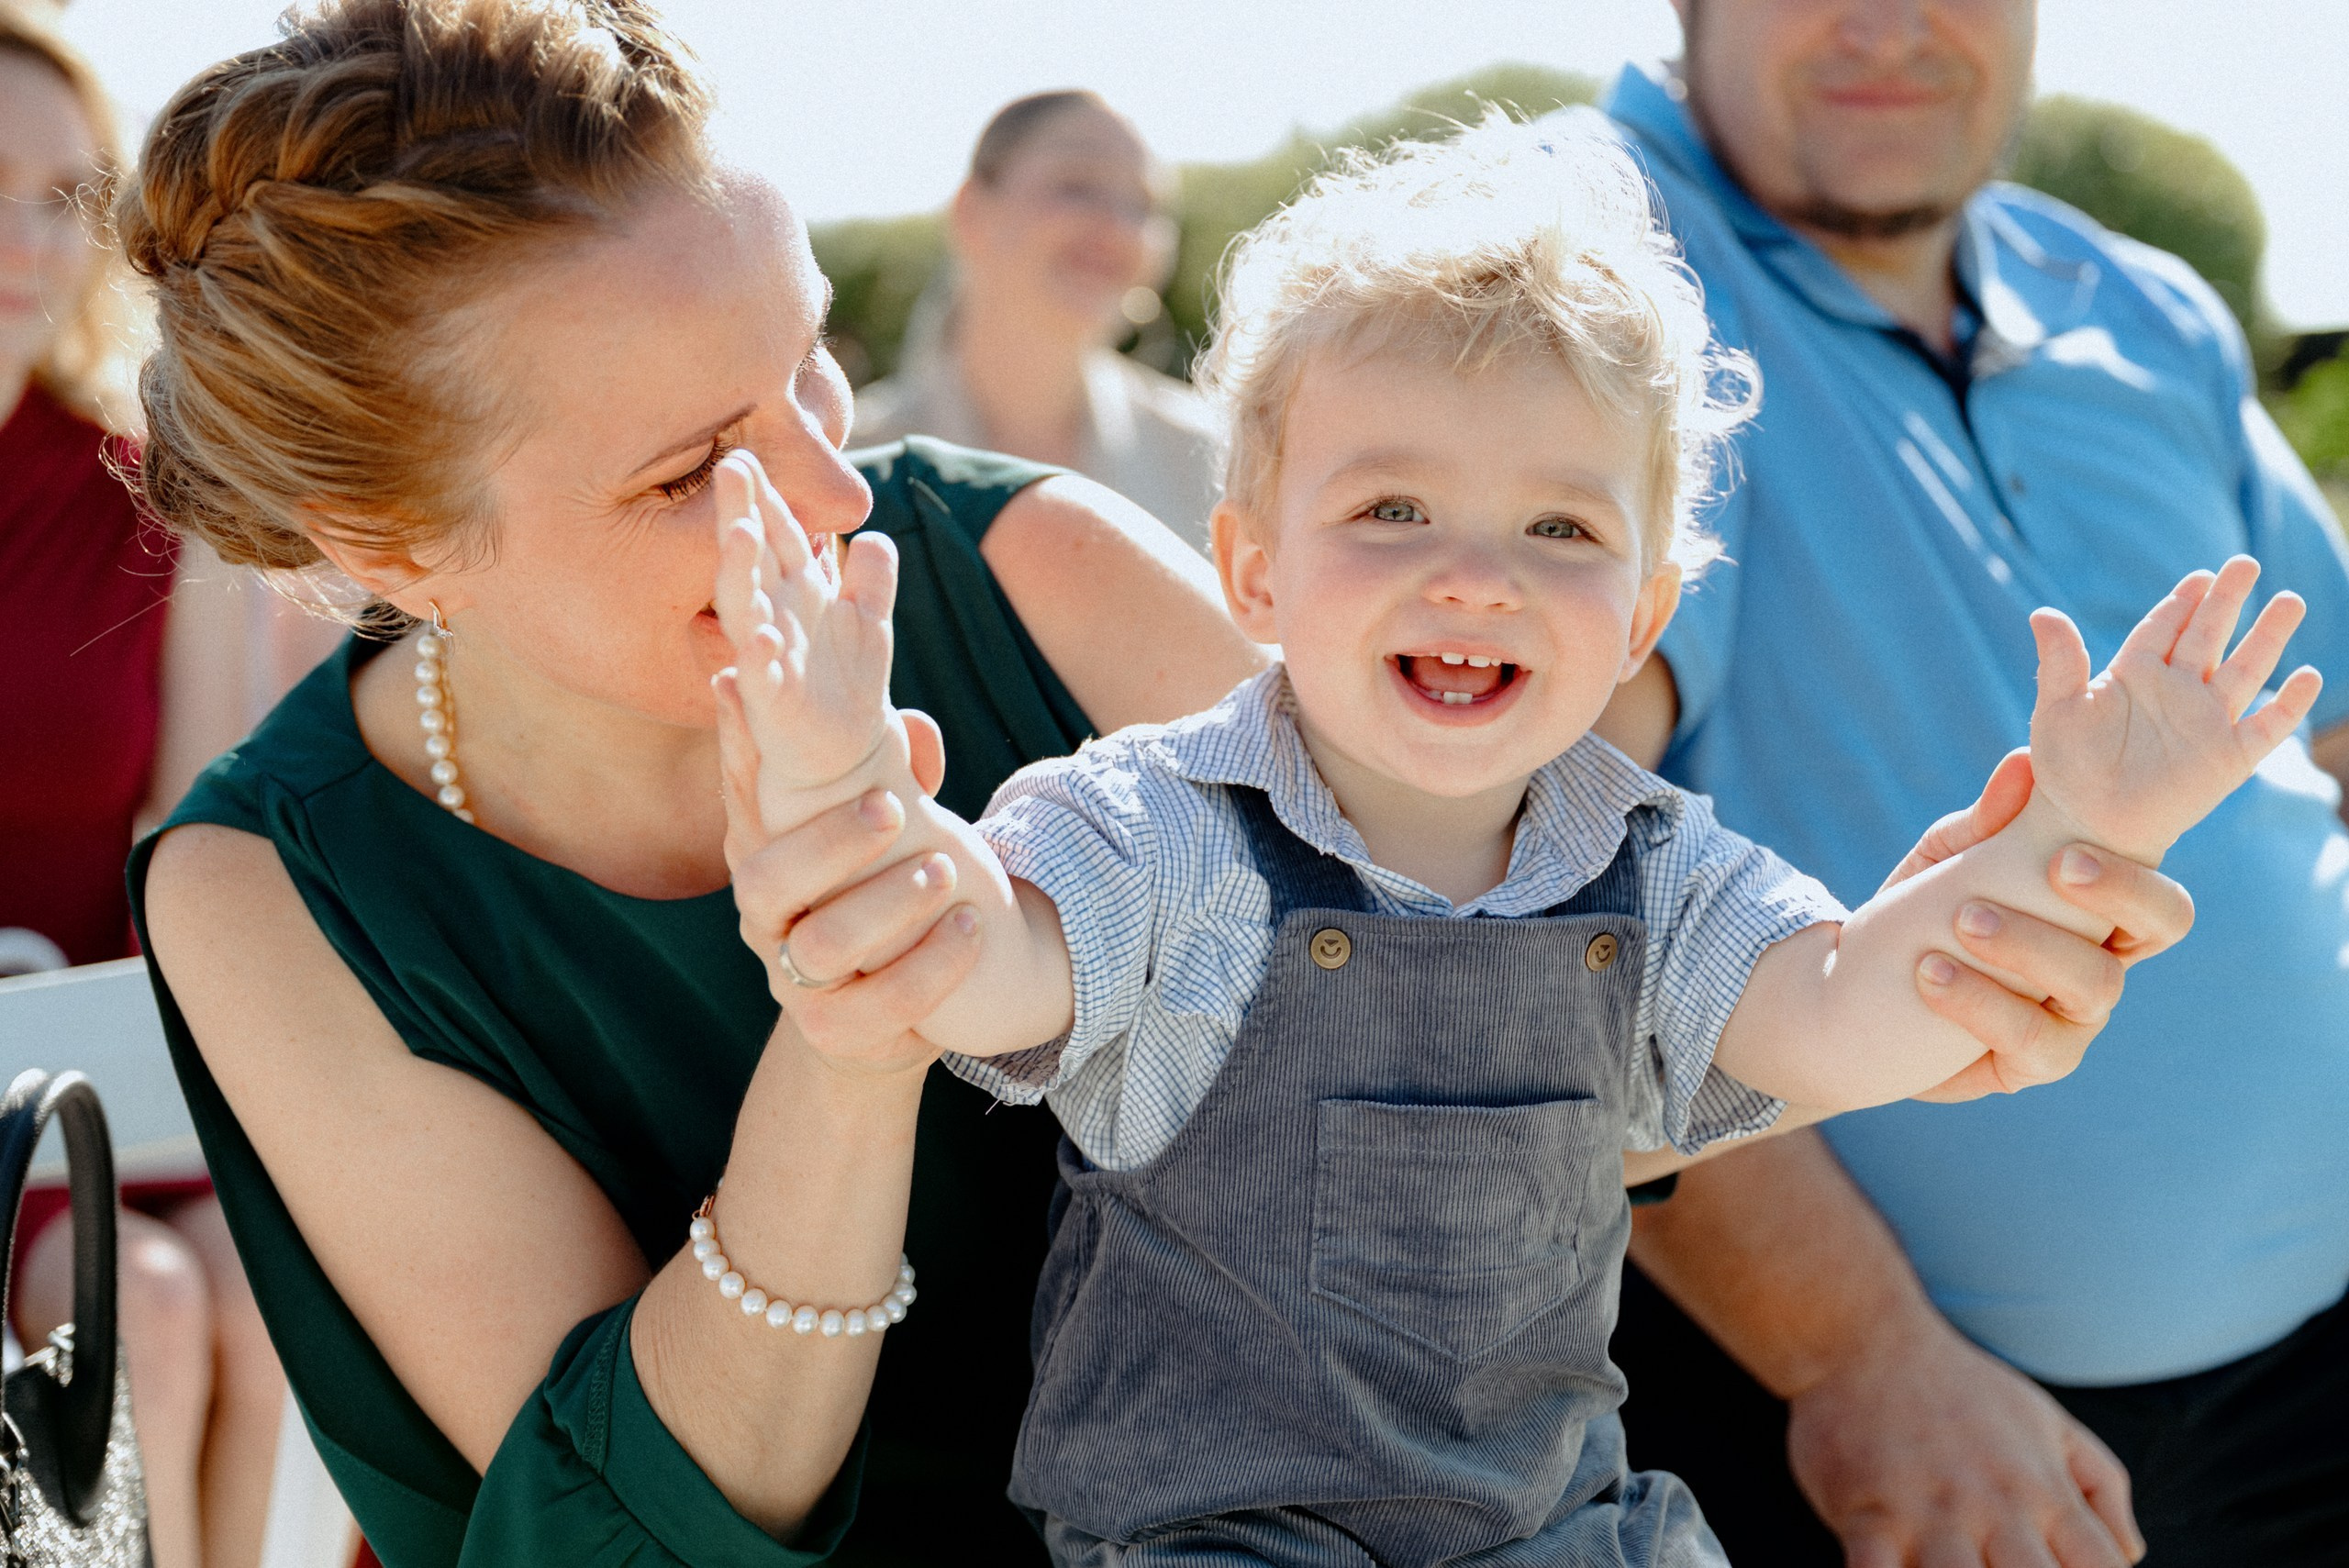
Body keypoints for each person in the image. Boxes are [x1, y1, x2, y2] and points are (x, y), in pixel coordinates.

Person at [120, 3, 2193, 1562]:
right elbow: (646, 1527)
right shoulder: (265, 888)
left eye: (812, 364)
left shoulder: (1025, 564)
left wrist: (1892, 983)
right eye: (692, 472)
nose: (830, 494)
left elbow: (1501, 987)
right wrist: (858, 1013)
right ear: (392, 549)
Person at [727, 116, 2307, 1566]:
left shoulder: (1657, 869)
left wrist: (2077, 834)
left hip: (1551, 1534)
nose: (1475, 576)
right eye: (1393, 511)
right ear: (1254, 570)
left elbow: (1844, 1004)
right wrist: (851, 789)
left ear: (1643, 614)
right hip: (1216, 1541)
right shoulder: (1166, 828)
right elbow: (994, 960)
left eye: (1559, 527)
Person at [1582, 5, 2349, 1565]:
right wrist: (1856, 1350)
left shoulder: (2145, 306)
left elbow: (2327, 736)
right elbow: (1514, 879)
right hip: (1912, 1440)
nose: (1893, 22)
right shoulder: (1559, 271)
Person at [0, 10, 309, 1566]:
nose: (30, 241)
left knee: (261, 1290)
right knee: (153, 1309)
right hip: (22, 1120)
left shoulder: (151, 500)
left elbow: (195, 848)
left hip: (88, 1066)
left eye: (63, 197)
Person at [852, 90, 1225, 555]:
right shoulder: (846, 469)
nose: (1119, 227)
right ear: (971, 212)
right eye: (1076, 185)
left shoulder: (1216, 461)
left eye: (1144, 205)